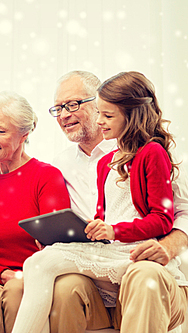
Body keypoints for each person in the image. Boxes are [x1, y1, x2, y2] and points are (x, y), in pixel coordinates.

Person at [11, 71, 188, 333]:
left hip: (136, 251)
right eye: (58, 108)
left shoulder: (154, 152)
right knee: (42, 265)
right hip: (105, 254)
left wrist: (164, 244)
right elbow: (102, 217)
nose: (64, 114)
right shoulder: (87, 164)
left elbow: (167, 216)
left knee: (144, 277)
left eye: (73, 105)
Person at [0, 91, 71, 333]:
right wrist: (2, 274)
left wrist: (20, 276)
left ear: (24, 135)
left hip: (33, 278)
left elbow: (55, 243)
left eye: (0, 131)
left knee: (16, 290)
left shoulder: (45, 176)